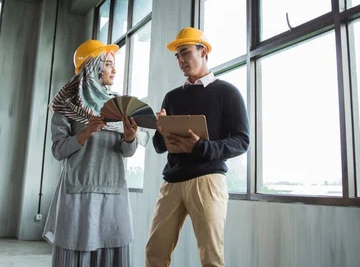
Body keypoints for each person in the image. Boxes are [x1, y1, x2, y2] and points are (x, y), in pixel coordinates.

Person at [145, 27, 250, 267]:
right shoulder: (172, 97)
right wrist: (161, 132)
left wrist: (202, 147)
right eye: (177, 56)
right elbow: (160, 147)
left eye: (185, 53)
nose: (180, 60)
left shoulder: (228, 93)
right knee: (155, 252)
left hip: (207, 180)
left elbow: (242, 141)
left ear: (203, 51)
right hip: (172, 182)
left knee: (211, 257)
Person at [43, 39, 143, 267]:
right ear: (93, 66)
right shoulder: (66, 106)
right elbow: (58, 151)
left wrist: (130, 138)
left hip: (113, 190)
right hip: (78, 193)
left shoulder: (118, 105)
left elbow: (127, 152)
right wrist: (86, 132)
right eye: (108, 63)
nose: (114, 69)